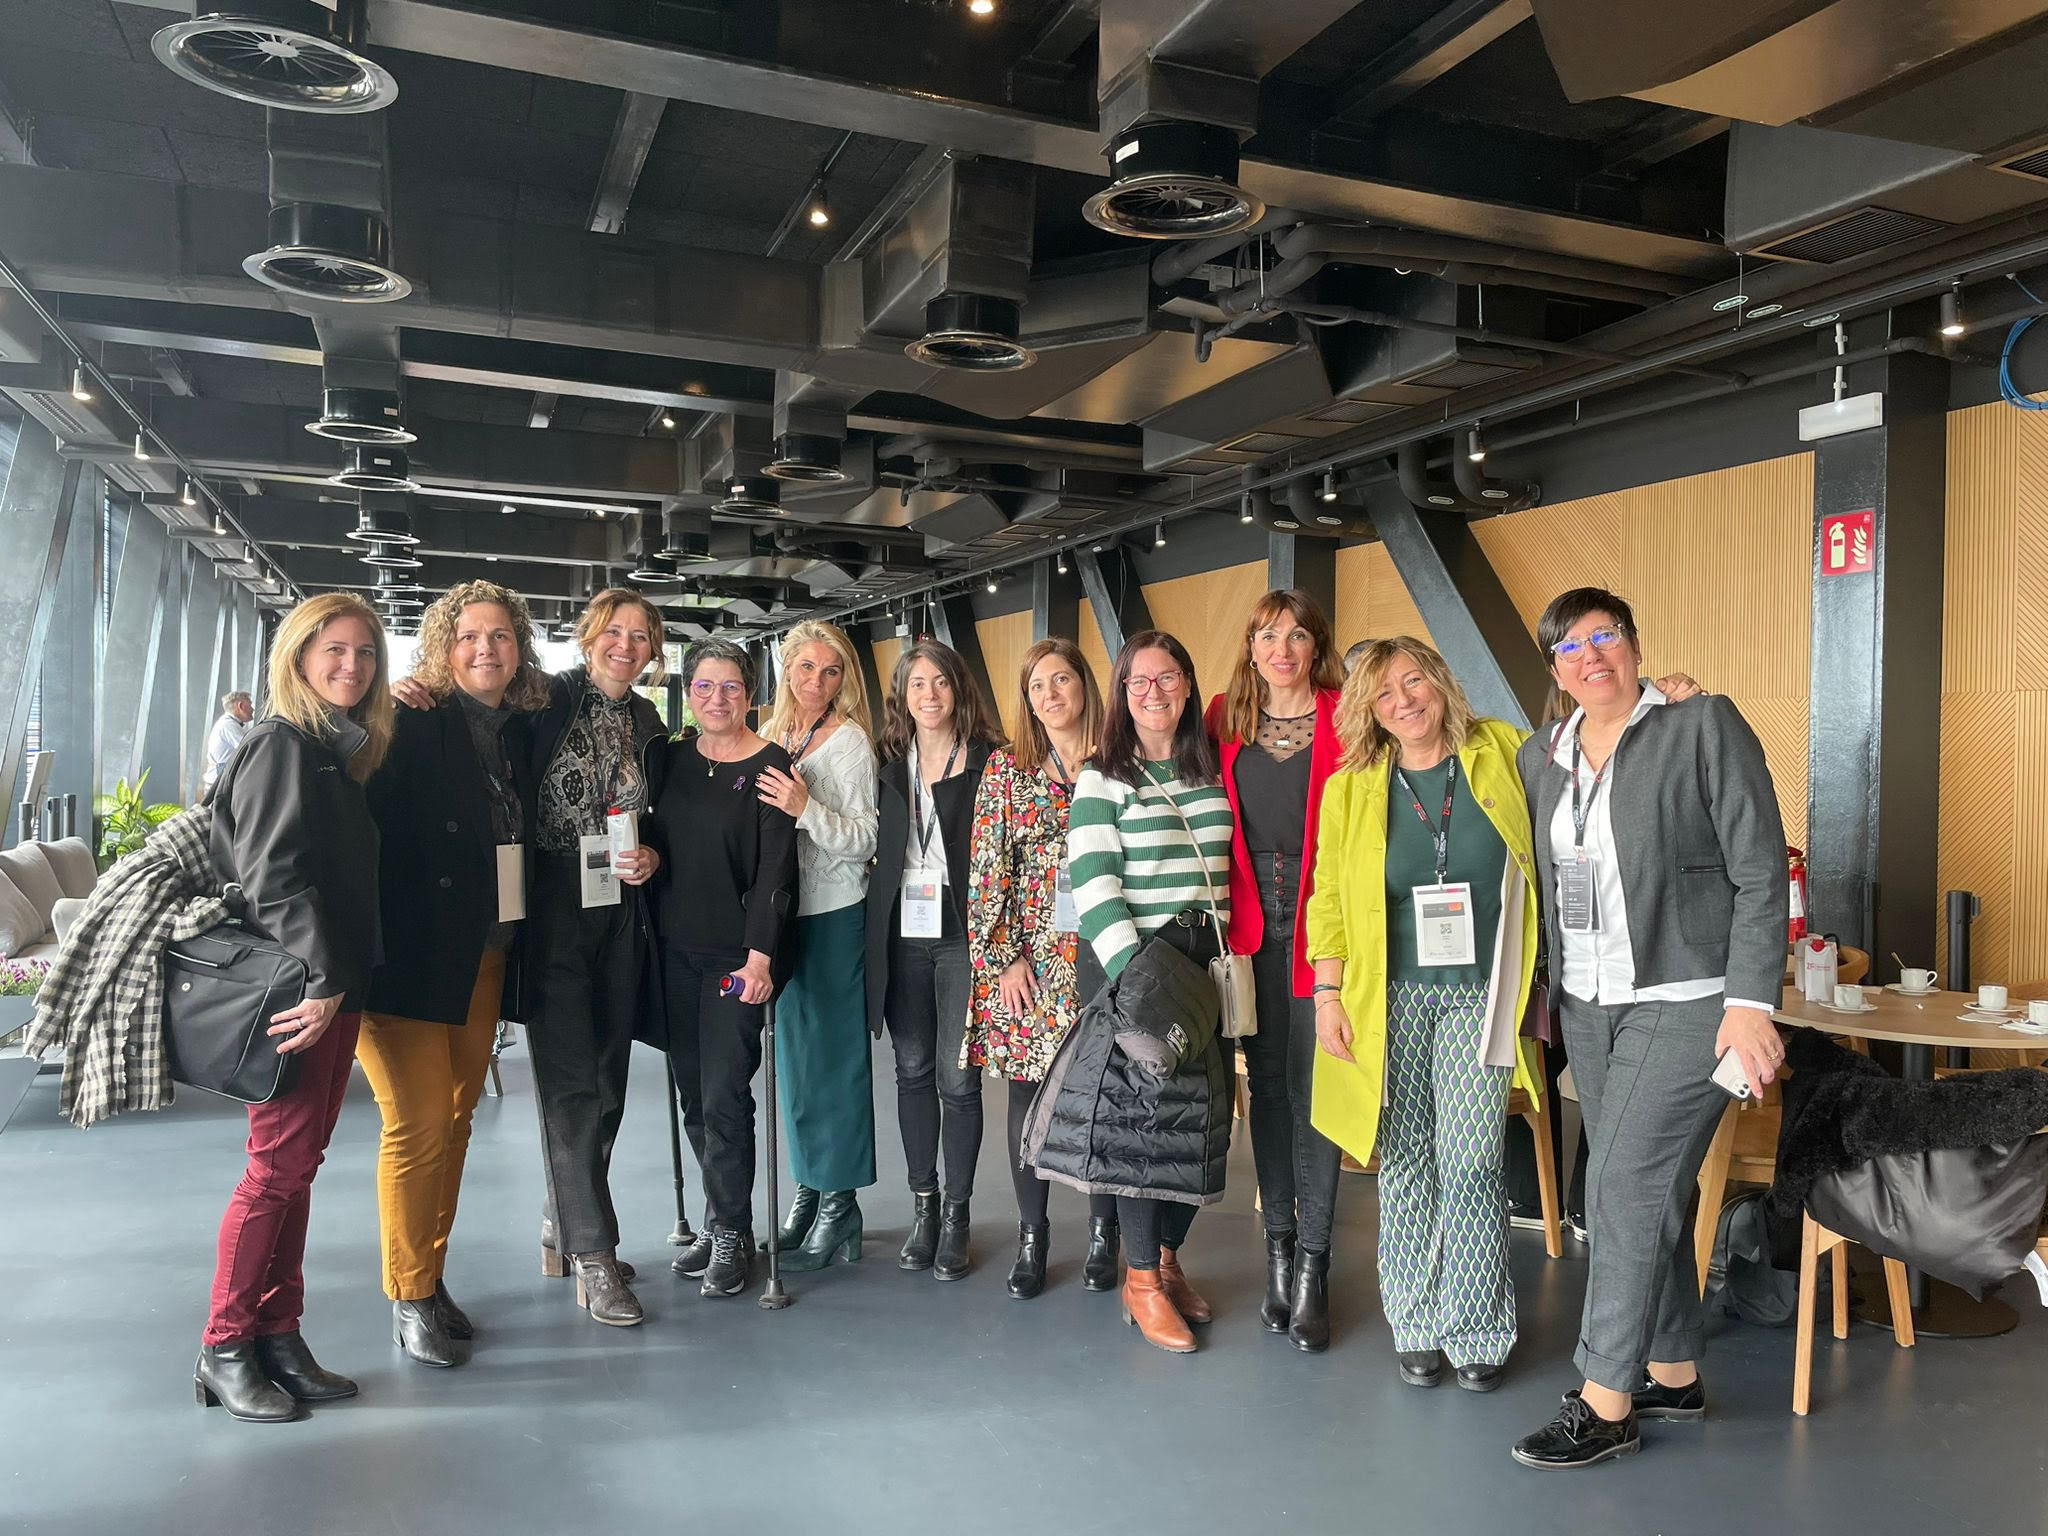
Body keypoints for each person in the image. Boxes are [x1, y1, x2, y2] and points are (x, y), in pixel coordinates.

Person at [1510, 587, 1786, 1470]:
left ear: (1634, 644)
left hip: (1692, 997)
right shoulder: (1539, 755)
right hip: (1589, 1004)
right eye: (1571, 646)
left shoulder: (1700, 725)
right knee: (1649, 1188)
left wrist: (1751, 1002)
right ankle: (1672, 1371)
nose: (1592, 655)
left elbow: (1759, 869)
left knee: (1621, 1184)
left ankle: (1605, 1400)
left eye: (1606, 635)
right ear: (1555, 669)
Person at [1306, 636, 1544, 1392]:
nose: (1403, 700)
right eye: (1384, 692)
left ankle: (1477, 1325)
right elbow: (1328, 899)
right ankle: (1414, 1320)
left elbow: (1587, 750)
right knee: (1407, 1161)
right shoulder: (1351, 789)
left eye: (1413, 681)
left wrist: (1662, 700)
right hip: (1390, 1000)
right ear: (1369, 711)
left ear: (1440, 681)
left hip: (1482, 994)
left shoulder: (1502, 751)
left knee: (1472, 1161)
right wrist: (1327, 994)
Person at [195, 594, 390, 1422]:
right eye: (334, 650)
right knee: (274, 1170)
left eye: (365, 653)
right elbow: (272, 877)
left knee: (297, 1167)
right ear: (299, 657)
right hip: (303, 993)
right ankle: (224, 1346)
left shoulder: (328, 752)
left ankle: (278, 1336)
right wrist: (320, 978)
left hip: (331, 988)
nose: (352, 665)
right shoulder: (280, 744)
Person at [360, 581, 546, 1368]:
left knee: (457, 1122)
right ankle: (407, 1294)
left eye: (499, 636)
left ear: (519, 648)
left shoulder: (517, 730)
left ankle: (429, 1281)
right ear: (442, 647)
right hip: (407, 961)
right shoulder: (409, 719)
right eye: (469, 636)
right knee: (418, 1123)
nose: (485, 649)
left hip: (484, 953)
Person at [1051, 630, 1235, 1354]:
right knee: (1139, 1133)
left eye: (1166, 678)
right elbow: (1094, 887)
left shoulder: (1210, 768)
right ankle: (1141, 1281)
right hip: (1139, 970)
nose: (1153, 692)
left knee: (1200, 1126)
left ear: (1188, 685)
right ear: (1122, 695)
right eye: (1138, 682)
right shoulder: (1104, 776)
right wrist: (1136, 984)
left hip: (1206, 969)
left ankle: (1167, 1258)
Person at [1205, 590, 1347, 1349]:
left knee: (1317, 1091)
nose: (1281, 650)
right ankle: (1280, 1253)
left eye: (1295, 635)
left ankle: (1316, 1263)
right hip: (1249, 926)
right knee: (1266, 1089)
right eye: (1266, 636)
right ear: (1251, 648)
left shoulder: (1348, 715)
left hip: (1327, 922)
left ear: (1315, 645)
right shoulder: (1223, 717)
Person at [525, 589, 667, 1326]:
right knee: (571, 1084)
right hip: (552, 907)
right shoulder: (543, 699)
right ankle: (594, 1253)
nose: (626, 645)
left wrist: (653, 854)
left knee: (610, 1078)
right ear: (588, 636)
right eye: (615, 631)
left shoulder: (650, 723)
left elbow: (661, 818)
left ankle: (563, 1222)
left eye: (641, 635)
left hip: (619, 907)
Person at [964, 637, 1119, 1300]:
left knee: (1107, 1093)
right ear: (1027, 701)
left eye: (1061, 680)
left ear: (1084, 684)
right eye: (1037, 686)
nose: (1051, 695)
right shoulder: (1008, 769)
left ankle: (1106, 1232)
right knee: (1029, 1099)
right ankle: (1034, 1236)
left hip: (1107, 953)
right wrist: (1002, 960)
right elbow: (986, 869)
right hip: (1031, 964)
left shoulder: (1119, 761)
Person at [646, 639, 798, 1298]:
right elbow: (653, 837)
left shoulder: (771, 764)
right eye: (704, 686)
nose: (717, 698)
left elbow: (776, 870)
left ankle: (734, 1231)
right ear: (689, 693)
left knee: (725, 1095)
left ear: (750, 694)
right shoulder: (670, 760)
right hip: (674, 952)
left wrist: (761, 956)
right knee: (692, 1095)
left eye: (731, 686)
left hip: (736, 961)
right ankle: (717, 1218)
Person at [865, 639, 1003, 1280]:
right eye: (917, 684)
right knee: (912, 1068)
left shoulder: (989, 761)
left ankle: (958, 1213)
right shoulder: (888, 765)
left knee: (958, 1076)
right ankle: (924, 1206)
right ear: (903, 696)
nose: (929, 695)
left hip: (962, 934)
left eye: (940, 682)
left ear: (958, 689)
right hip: (901, 932)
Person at [752, 621, 880, 1274]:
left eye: (831, 671)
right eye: (805, 667)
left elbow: (865, 840)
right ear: (787, 671)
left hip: (833, 913)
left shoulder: (850, 741)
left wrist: (806, 807)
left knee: (835, 1063)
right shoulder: (772, 733)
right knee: (796, 1065)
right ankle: (808, 1187)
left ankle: (840, 1204)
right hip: (783, 918)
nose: (816, 681)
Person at [199, 690, 253, 797]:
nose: (252, 709)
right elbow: (249, 748)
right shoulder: (229, 726)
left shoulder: (227, 723)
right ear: (240, 706)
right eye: (250, 705)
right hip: (219, 784)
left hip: (219, 782)